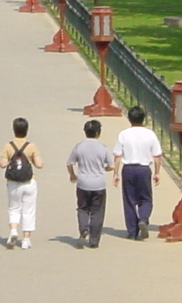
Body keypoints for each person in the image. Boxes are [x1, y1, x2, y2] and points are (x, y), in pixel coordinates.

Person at [111, 105, 162, 239]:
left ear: (129, 118)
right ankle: (143, 219)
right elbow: (157, 156)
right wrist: (157, 172)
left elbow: (117, 156)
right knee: (146, 198)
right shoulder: (150, 134)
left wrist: (115, 174)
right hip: (144, 169)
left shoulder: (124, 134)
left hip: (128, 169)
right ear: (143, 118)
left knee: (129, 201)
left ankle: (132, 232)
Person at [0, 117, 43, 249]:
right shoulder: (31, 146)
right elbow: (39, 164)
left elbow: (2, 164)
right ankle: (26, 240)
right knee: (28, 210)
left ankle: (13, 230)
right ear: (27, 130)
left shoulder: (8, 146)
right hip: (29, 182)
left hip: (13, 182)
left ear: (14, 130)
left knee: (14, 208)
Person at [67, 118, 111, 248]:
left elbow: (70, 163)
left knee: (83, 208)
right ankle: (94, 240)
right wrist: (104, 169)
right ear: (98, 133)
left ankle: (83, 228)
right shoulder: (103, 148)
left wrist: (73, 175)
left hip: (83, 183)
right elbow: (112, 166)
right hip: (99, 183)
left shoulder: (79, 147)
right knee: (97, 211)